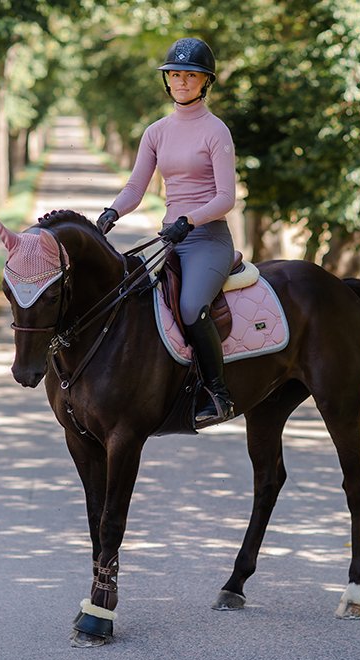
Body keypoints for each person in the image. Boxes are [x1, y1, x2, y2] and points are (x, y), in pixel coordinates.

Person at [95, 37, 236, 428]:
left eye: (190, 76)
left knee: (191, 307)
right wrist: (111, 212)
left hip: (207, 239)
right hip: (170, 237)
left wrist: (188, 221)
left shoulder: (216, 131)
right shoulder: (156, 132)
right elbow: (136, 188)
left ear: (205, 82)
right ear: (167, 80)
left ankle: (218, 393)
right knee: (131, 298)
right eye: (175, 74)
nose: (181, 81)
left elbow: (226, 198)